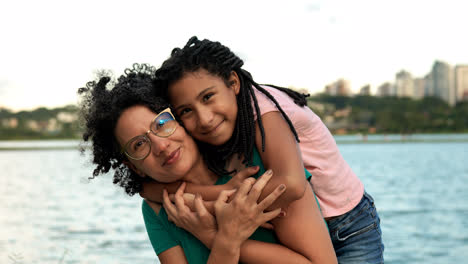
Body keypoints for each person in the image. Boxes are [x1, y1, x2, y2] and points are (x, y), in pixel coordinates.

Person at [141, 36, 384, 263]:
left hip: (350, 223)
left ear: (233, 82)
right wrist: (155, 190)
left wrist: (218, 206)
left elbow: (290, 183)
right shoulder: (230, 126)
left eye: (207, 97)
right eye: (186, 111)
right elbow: (151, 190)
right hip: (309, 225)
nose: (204, 119)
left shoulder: (264, 110)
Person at [78, 64, 336, 263]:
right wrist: (226, 241)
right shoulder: (156, 211)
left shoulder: (259, 164)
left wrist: (213, 235)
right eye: (138, 145)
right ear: (134, 166)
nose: (160, 146)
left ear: (180, 119)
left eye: (162, 124)